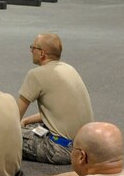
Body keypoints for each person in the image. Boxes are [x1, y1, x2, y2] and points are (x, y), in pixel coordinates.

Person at [17, 33, 93, 164]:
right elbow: (58, 112)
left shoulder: (36, 75)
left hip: (59, 149)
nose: (31, 51)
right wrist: (27, 120)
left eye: (33, 48)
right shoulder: (69, 69)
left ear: (42, 53)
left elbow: (14, 117)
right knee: (28, 127)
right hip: (84, 145)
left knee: (0, 136)